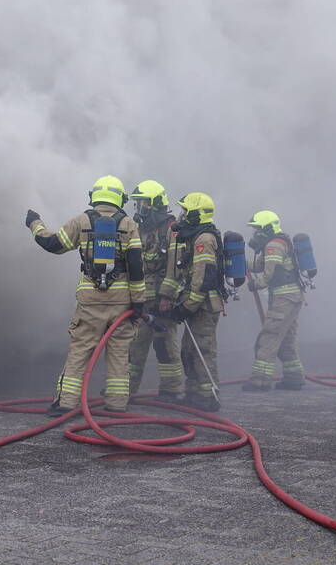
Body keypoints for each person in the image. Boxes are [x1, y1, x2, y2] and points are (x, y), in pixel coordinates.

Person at [26, 175, 145, 415]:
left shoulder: (81, 221)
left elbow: (52, 244)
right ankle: (117, 404)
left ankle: (66, 403)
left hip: (90, 300)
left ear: (94, 196)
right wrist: (139, 303)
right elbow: (136, 266)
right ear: (120, 198)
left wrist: (34, 223)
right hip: (122, 301)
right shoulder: (129, 224)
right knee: (119, 353)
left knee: (81, 349)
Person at [160, 192, 224, 411]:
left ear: (197, 214)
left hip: (203, 307)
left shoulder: (204, 239)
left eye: (186, 211)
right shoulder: (194, 237)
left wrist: (186, 308)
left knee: (202, 352)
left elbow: (203, 281)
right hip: (196, 305)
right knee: (188, 350)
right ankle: (194, 393)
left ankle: (209, 397)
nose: (182, 215)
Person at [126, 180, 184, 404]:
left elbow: (175, 264)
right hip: (142, 297)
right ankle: (125, 390)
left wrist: (168, 295)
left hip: (162, 298)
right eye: (138, 203)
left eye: (143, 203)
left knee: (165, 344)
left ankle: (171, 390)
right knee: (134, 344)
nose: (140, 208)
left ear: (156, 203)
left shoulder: (171, 229)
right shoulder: (138, 229)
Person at [243, 210, 305, 391]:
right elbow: (260, 265)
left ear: (267, 229)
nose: (255, 234)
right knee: (286, 340)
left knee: (269, 337)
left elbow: (269, 275)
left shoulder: (273, 246)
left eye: (257, 230)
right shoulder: (276, 243)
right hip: (291, 297)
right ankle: (294, 377)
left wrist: (255, 284)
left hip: (284, 298)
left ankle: (260, 381)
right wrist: (239, 261)